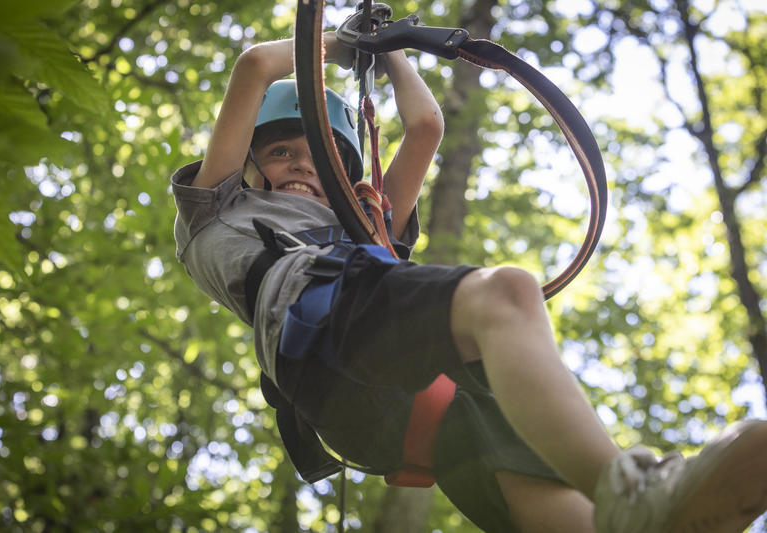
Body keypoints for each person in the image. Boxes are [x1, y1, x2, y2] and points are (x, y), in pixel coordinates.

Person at [171, 28, 767, 533]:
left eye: (318, 155)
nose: (302, 163)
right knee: (505, 294)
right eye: (280, 152)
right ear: (248, 163)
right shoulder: (218, 209)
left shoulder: (359, 223)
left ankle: (625, 514)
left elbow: (425, 125)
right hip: (319, 319)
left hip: (378, 396)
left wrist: (391, 48)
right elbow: (254, 66)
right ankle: (633, 488)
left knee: (516, 458)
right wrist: (341, 44)